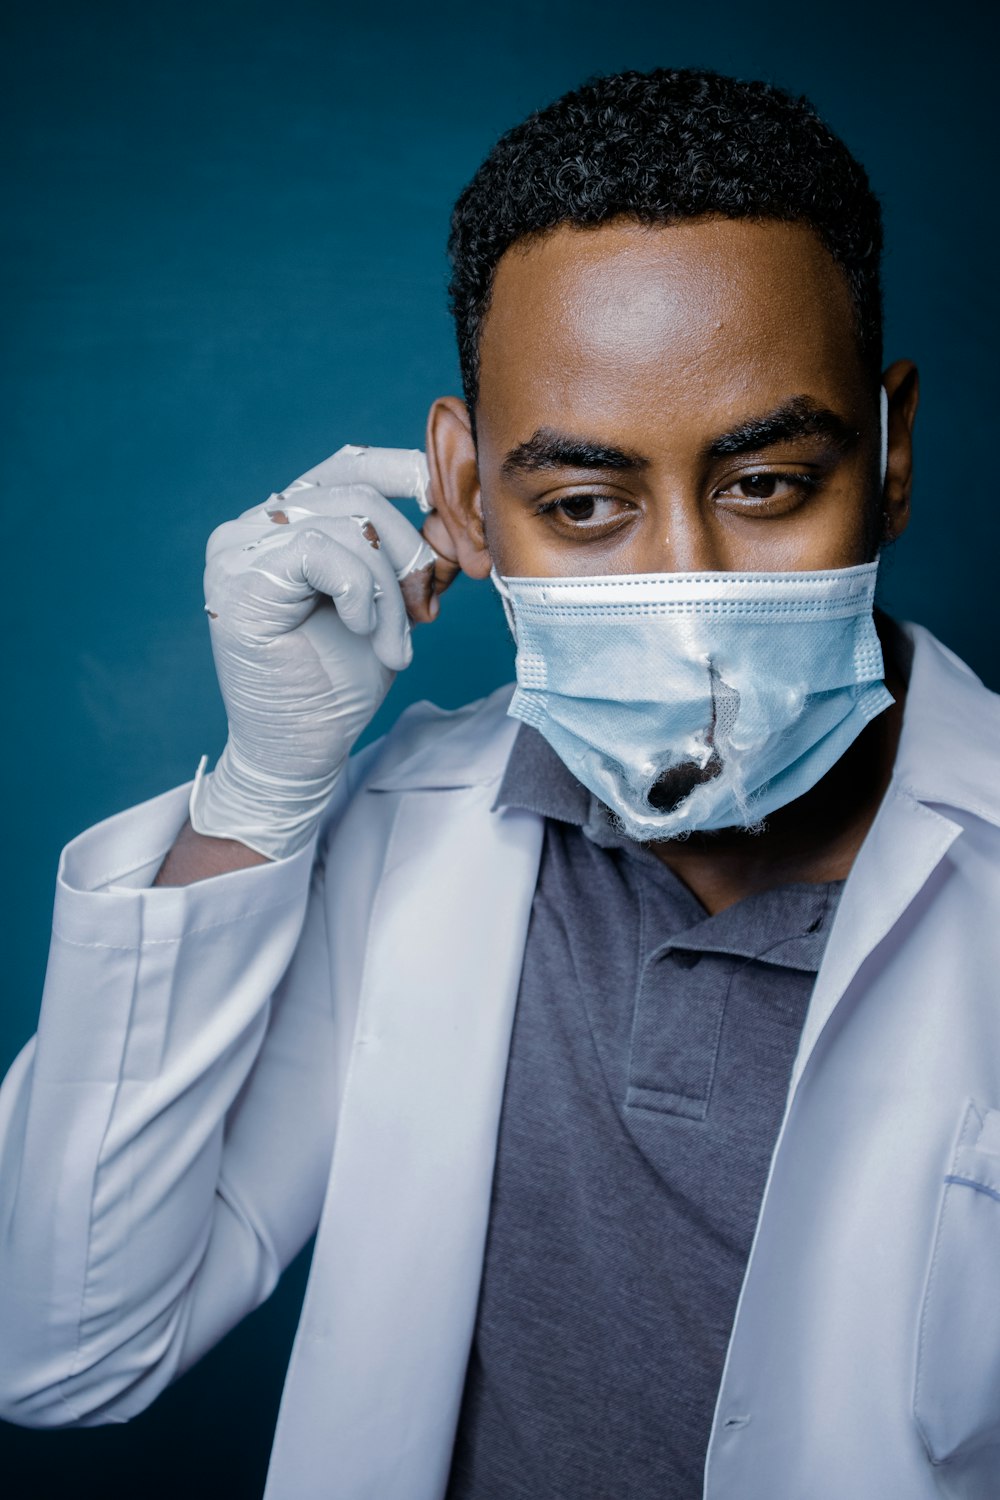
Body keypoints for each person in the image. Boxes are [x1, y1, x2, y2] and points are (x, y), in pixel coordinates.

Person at [1, 65, 998, 1500]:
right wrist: (265, 795)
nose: (687, 590)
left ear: (891, 454)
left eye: (766, 485)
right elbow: (63, 1348)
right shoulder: (406, 836)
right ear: (465, 496)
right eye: (584, 506)